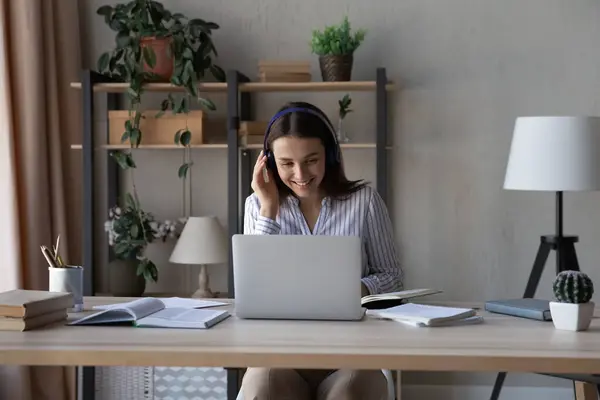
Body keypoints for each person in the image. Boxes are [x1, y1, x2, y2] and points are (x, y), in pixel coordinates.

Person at [240, 101, 403, 400]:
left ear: (329, 155)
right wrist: (269, 209)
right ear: (270, 162)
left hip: (352, 356)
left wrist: (358, 288)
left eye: (311, 160)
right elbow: (253, 288)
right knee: (260, 390)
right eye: (286, 163)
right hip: (282, 355)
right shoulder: (257, 206)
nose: (300, 173)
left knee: (349, 394)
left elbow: (393, 278)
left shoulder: (365, 201)